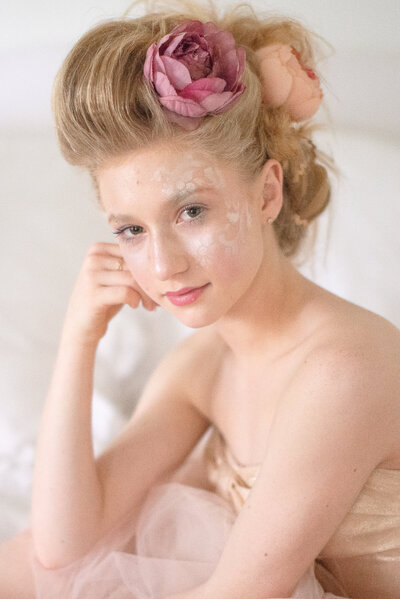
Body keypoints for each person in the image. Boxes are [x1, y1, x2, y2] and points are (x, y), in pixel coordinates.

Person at [1, 0, 399, 597]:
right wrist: (78, 338)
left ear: (267, 193)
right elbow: (59, 547)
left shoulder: (345, 368)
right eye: (131, 229)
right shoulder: (204, 365)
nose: (163, 265)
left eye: (191, 211)